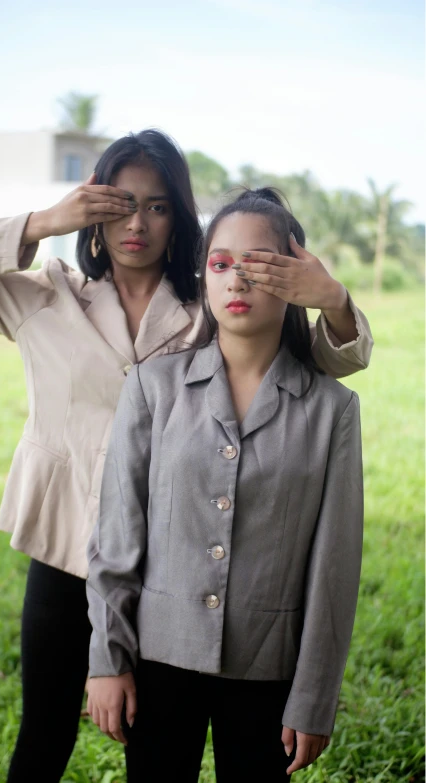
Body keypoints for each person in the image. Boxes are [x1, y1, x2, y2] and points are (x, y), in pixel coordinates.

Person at [0, 131, 372, 782]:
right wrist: (47, 221)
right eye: (119, 202)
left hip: (168, 562)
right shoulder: (45, 296)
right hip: (67, 543)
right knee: (42, 735)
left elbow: (318, 367)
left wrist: (332, 298)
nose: (137, 220)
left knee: (160, 746)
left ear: (179, 218)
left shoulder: (207, 304)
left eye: (157, 206)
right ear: (92, 207)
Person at [86, 187, 364, 782]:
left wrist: (314, 696)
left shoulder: (331, 409)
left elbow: (334, 567)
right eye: (220, 264)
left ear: (295, 278)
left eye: (260, 264)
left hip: (270, 668)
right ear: (204, 279)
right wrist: (107, 660)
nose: (237, 279)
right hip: (159, 658)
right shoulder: (152, 387)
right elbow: (117, 536)